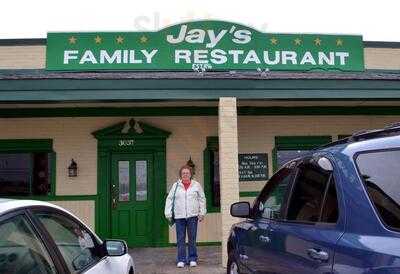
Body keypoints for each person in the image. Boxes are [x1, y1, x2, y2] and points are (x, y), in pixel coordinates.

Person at [164, 165, 206, 268]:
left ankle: (192, 258)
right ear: (180, 175)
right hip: (179, 216)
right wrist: (168, 213)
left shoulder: (196, 185)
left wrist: (202, 212)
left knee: (192, 238)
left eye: (187, 173)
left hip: (192, 216)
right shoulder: (176, 186)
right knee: (180, 239)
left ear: (190, 174)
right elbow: (169, 199)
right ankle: (181, 259)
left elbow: (202, 198)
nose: (185, 175)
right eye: (183, 173)